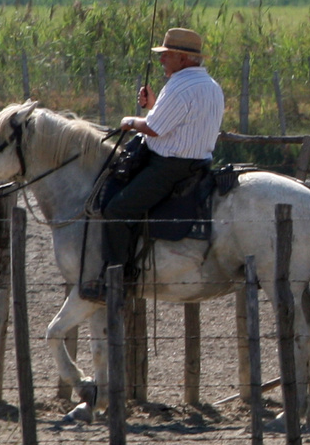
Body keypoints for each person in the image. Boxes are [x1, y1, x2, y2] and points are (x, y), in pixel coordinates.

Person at [82, 27, 226, 302]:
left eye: (166, 55)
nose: (161, 61)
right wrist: (154, 105)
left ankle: (118, 281)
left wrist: (130, 121)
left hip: (169, 167)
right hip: (199, 162)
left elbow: (155, 129)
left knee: (117, 209)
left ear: (182, 59)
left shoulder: (179, 86)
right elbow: (182, 120)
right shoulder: (211, 86)